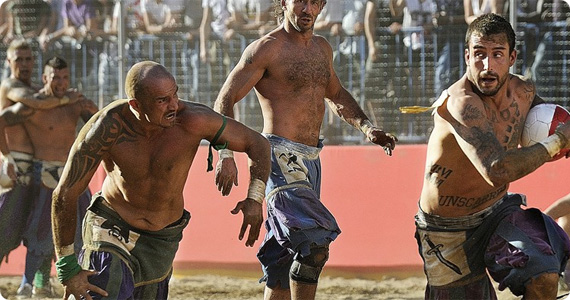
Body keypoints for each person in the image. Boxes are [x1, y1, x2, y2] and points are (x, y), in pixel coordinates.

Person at [212, 0, 398, 299]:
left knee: (283, 262)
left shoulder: (322, 49)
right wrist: (225, 153)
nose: (307, 9)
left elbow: (335, 94)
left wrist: (366, 127)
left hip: (311, 160)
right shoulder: (266, 48)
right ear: (284, 3)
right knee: (313, 247)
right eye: (300, 1)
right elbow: (225, 98)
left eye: (314, 2)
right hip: (278, 156)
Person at [51, 61, 271, 300]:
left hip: (161, 239)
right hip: (112, 225)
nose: (173, 105)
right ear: (136, 104)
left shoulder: (193, 120)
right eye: (162, 100)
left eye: (174, 94)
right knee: (106, 289)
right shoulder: (108, 127)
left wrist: (254, 197)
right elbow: (64, 194)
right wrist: (67, 268)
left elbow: (257, 143)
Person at [415, 13, 570, 299]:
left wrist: (563, 139)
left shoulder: (524, 91)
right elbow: (497, 169)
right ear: (466, 56)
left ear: (511, 58)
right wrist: (559, 140)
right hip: (446, 231)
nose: (487, 66)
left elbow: (548, 123)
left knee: (544, 277)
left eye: (497, 54)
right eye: (479, 54)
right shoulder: (461, 104)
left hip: (498, 211)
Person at [0, 56, 97, 298]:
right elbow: (2, 120)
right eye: (56, 78)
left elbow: (100, 124)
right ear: (45, 78)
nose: (61, 83)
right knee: (41, 235)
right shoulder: (32, 106)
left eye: (65, 78)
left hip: (73, 175)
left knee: (83, 233)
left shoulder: (76, 103)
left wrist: (89, 105)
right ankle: (30, 283)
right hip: (43, 176)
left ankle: (76, 284)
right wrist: (7, 157)